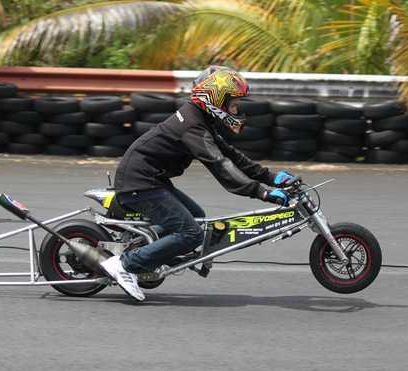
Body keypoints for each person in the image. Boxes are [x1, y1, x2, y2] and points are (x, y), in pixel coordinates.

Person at [99, 66, 299, 302]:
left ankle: (148, 250)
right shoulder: (193, 126)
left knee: (197, 218)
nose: (237, 110)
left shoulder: (201, 119)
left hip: (150, 179)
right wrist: (263, 193)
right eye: (233, 103)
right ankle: (125, 264)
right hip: (140, 184)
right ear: (215, 99)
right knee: (191, 234)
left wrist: (270, 177)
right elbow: (221, 166)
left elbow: (232, 155)